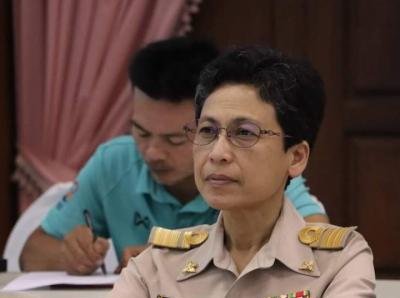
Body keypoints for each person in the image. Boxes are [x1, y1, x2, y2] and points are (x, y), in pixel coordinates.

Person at [60, 45, 376, 298]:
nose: (217, 153)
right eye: (208, 131)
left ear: (295, 157)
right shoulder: (161, 259)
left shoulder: (339, 256)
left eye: (245, 133)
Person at [20, 37, 328, 275]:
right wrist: (71, 256)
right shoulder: (114, 162)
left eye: (175, 138)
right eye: (141, 133)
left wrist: (171, 258)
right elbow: (32, 253)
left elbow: (319, 248)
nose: (153, 152)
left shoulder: (252, 170)